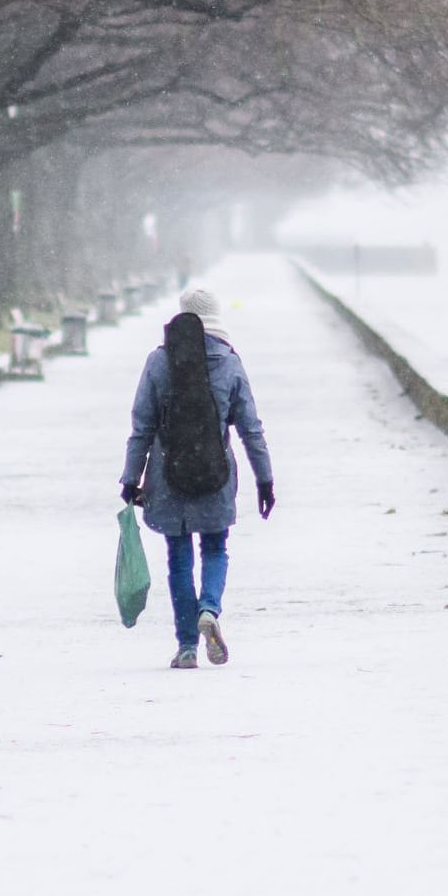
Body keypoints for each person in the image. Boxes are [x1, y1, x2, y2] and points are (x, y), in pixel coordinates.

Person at [119, 287, 274, 669]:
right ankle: (210, 609)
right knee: (215, 549)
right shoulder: (230, 363)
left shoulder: (159, 362)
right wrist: (264, 479)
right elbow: (250, 429)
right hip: (215, 475)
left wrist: (130, 477)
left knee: (178, 559)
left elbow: (141, 426)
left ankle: (187, 645)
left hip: (168, 476)